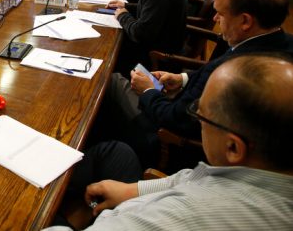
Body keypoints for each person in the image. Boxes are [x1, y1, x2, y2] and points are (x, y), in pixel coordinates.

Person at [48, 54, 293, 231]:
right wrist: (134, 190)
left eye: (200, 112)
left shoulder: (178, 217)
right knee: (117, 152)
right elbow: (193, 177)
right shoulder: (260, 174)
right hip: (144, 197)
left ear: (233, 148)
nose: (197, 115)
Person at [99, 0, 293, 167]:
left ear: (245, 21)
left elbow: (176, 119)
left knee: (111, 81)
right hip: (183, 107)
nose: (216, 18)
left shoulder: (237, 69)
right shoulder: (276, 44)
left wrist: (148, 91)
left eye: (221, 13)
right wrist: (182, 79)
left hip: (171, 141)